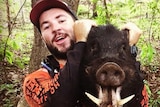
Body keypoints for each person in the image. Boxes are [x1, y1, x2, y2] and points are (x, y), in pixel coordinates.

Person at [23, 0, 147, 107]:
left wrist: (129, 51)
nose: (55, 28)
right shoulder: (34, 81)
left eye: (61, 20)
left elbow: (141, 102)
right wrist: (81, 41)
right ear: (43, 39)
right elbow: (59, 101)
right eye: (46, 27)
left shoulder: (96, 65)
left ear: (76, 25)